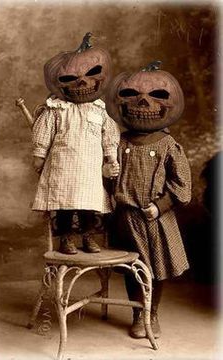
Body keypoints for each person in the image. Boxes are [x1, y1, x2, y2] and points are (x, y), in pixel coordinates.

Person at [104, 62, 191, 338]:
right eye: (133, 94)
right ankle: (138, 313)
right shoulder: (118, 142)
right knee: (134, 268)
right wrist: (107, 171)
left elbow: (182, 184)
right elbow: (105, 181)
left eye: (157, 95)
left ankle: (152, 313)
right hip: (125, 219)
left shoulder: (168, 145)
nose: (143, 102)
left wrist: (160, 205)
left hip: (155, 219)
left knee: (154, 269)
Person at [32, 33, 120, 254]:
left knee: (88, 205)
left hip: (89, 169)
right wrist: (39, 155)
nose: (82, 82)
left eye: (90, 74)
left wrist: (111, 157)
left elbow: (109, 135)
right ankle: (66, 238)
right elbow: (43, 133)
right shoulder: (57, 108)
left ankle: (88, 236)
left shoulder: (99, 110)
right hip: (62, 167)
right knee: (64, 205)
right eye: (71, 78)